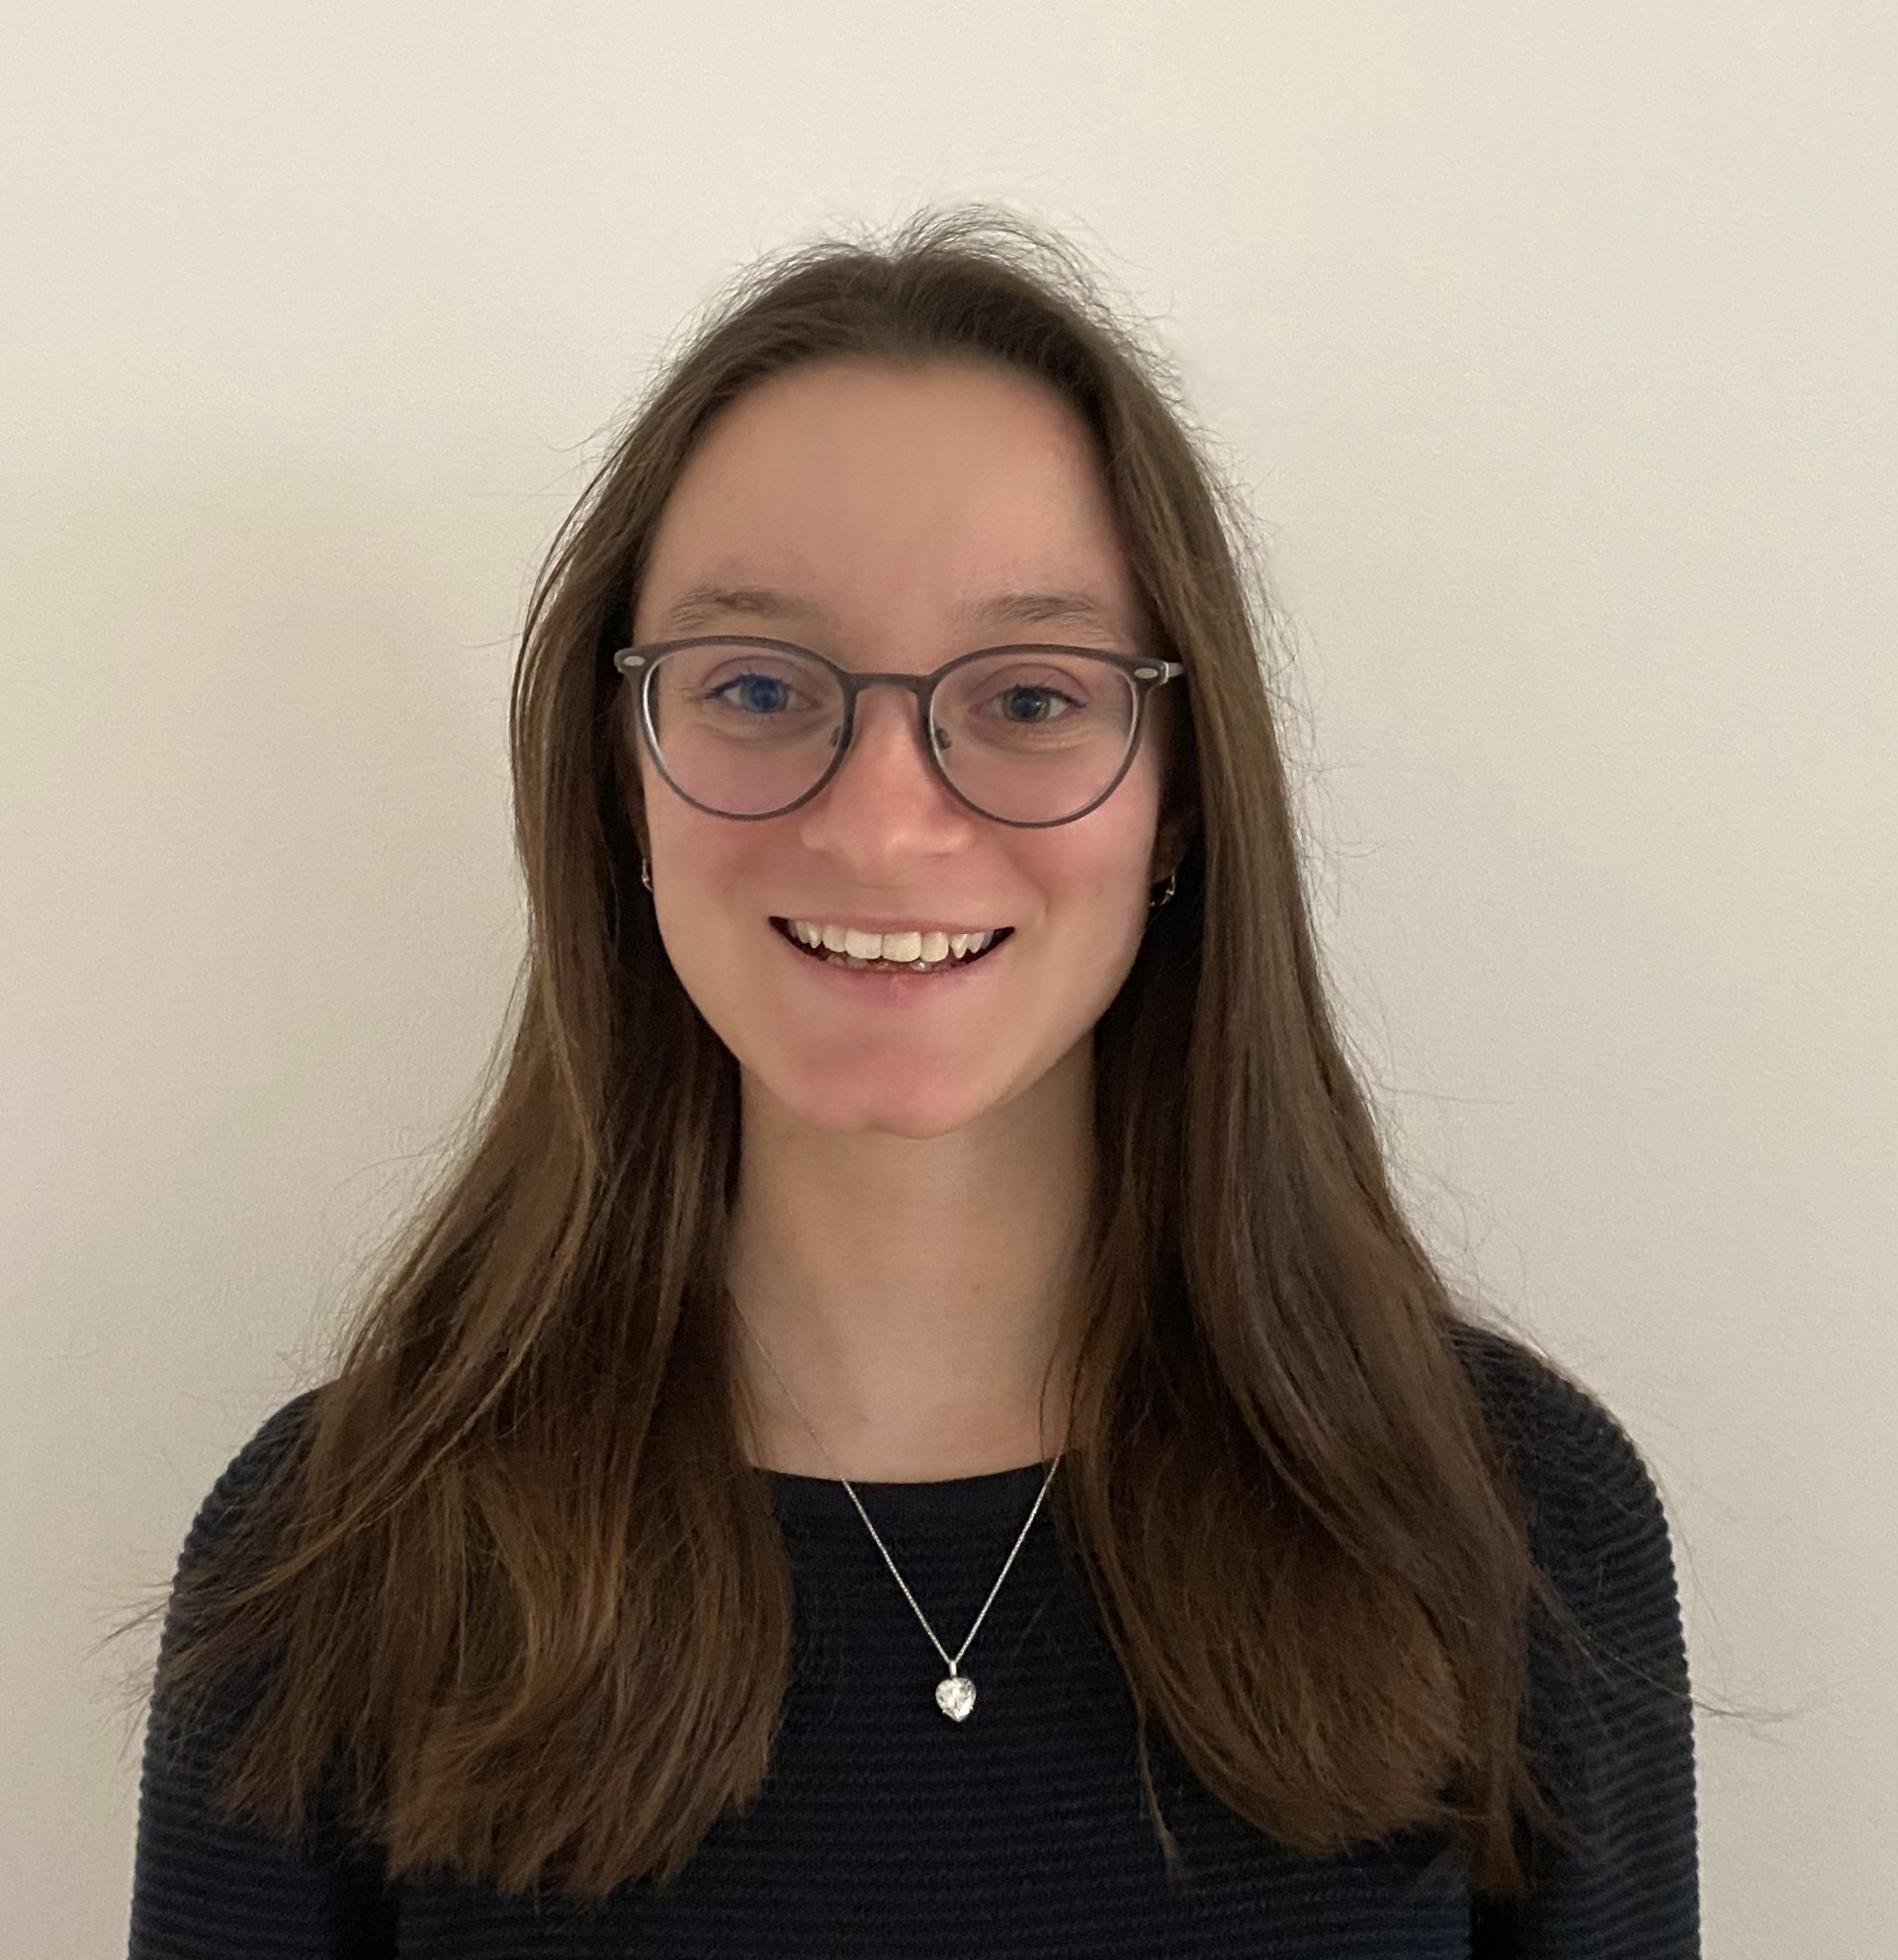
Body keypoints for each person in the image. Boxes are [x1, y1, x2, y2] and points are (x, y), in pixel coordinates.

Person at [126, 207, 1698, 1957]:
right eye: (754, 684)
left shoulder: (1513, 1527)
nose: (882, 820)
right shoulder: (336, 1554)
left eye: (1029, 697)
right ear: (617, 774)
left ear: (1180, 796)